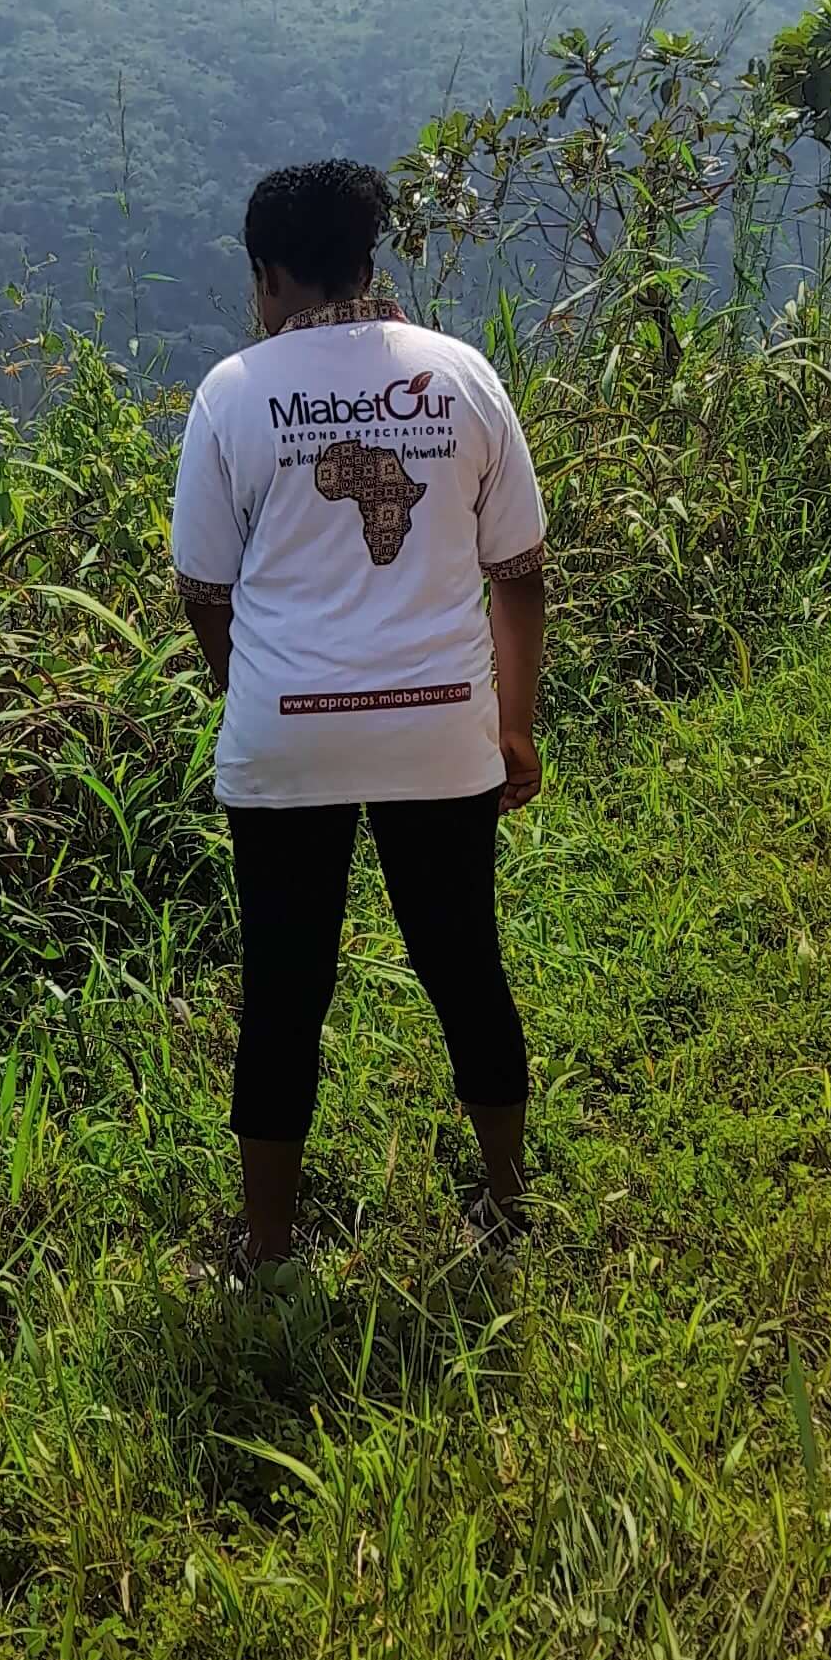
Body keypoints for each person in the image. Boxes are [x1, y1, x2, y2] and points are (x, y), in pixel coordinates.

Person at [169, 158, 548, 1268]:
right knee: (464, 962)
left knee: (286, 981)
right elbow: (518, 569)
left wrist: (256, 694)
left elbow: (204, 589)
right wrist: (512, 721)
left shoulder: (235, 389)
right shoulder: (462, 376)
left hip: (290, 728)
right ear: (369, 258)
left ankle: (271, 1243)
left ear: (269, 273)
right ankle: (509, 1204)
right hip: (442, 727)